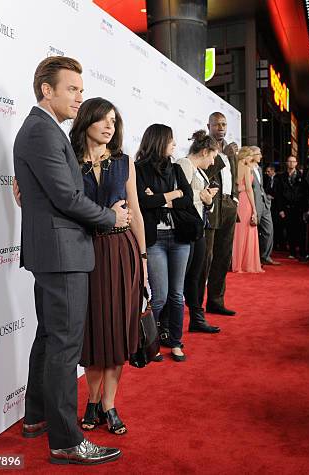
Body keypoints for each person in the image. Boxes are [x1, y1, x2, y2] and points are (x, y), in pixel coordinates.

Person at [13, 56, 126, 464]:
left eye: (81, 89)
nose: (80, 97)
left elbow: (54, 193)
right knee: (64, 346)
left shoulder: (45, 130)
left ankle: (36, 417)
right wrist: (112, 218)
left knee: (49, 338)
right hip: (62, 253)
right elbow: (66, 198)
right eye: (73, 89)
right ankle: (65, 440)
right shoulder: (42, 132)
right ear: (48, 90)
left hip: (56, 250)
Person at [67, 97, 146, 436]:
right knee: (94, 334)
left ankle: (108, 404)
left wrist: (142, 260)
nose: (110, 125)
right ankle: (93, 400)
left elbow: (137, 214)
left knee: (115, 333)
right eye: (103, 119)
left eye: (114, 120)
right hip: (86, 252)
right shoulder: (69, 161)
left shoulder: (124, 162)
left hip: (121, 251)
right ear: (87, 121)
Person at [135, 124, 193, 362]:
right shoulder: (138, 169)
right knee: (159, 296)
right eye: (171, 140)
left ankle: (176, 342)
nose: (175, 145)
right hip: (155, 240)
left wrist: (160, 199)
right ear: (159, 142)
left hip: (179, 238)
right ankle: (152, 341)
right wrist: (173, 194)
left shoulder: (177, 168)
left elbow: (188, 199)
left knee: (177, 295)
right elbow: (142, 202)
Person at [175, 131, 221, 333]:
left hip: (198, 228)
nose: (212, 162)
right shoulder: (184, 164)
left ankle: (196, 318)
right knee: (184, 277)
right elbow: (179, 196)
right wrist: (202, 196)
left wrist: (208, 199)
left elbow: (201, 201)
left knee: (196, 276)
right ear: (204, 152)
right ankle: (170, 323)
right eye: (212, 157)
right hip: (186, 230)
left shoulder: (199, 171)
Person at [202, 112, 239, 316]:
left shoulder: (230, 149)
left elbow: (233, 177)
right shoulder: (203, 146)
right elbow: (202, 173)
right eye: (217, 125)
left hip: (228, 205)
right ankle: (197, 303)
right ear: (209, 126)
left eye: (224, 124)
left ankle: (216, 301)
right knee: (206, 257)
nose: (221, 128)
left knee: (223, 256)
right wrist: (222, 152)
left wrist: (235, 199)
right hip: (211, 206)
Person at [232, 146, 264, 273]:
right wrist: (254, 210)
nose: (252, 158)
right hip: (245, 201)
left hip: (237, 201)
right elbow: (249, 190)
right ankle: (246, 264)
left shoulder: (234, 166)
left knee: (238, 232)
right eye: (250, 156)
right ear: (245, 156)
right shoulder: (246, 168)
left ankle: (237, 264)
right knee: (248, 231)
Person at [251, 146, 279, 265]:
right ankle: (255, 258)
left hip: (264, 204)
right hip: (254, 204)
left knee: (269, 230)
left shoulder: (259, 168)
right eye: (259, 154)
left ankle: (265, 256)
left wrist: (266, 199)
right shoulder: (247, 168)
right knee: (253, 232)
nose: (261, 156)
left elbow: (260, 187)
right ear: (251, 155)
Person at [276, 155, 307, 259]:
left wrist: (306, 209)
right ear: (286, 163)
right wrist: (280, 209)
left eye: (293, 161)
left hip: (299, 207)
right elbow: (279, 194)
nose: (291, 163)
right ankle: (292, 252)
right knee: (290, 231)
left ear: (296, 163)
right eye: (289, 161)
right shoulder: (281, 177)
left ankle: (302, 252)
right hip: (287, 207)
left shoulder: (302, 176)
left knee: (301, 230)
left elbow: (305, 193)